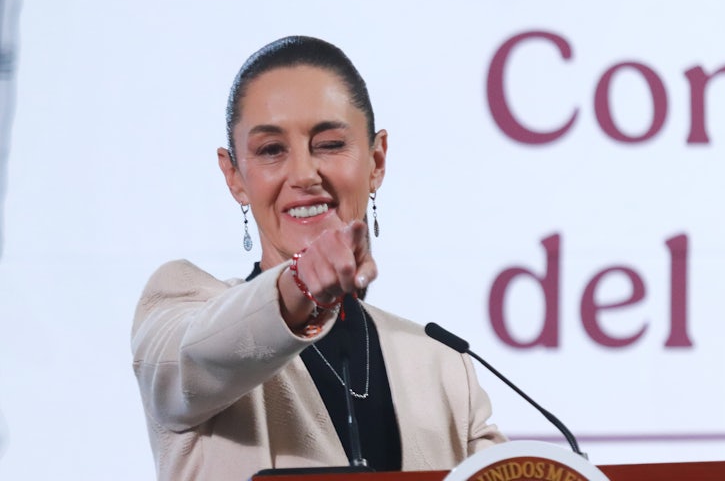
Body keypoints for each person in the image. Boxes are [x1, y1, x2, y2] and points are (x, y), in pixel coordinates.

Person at [131, 36, 505, 481]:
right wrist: (302, 284)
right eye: (271, 150)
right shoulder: (182, 306)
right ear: (234, 177)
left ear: (376, 161)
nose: (305, 174)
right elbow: (197, 358)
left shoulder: (443, 366)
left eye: (329, 144)